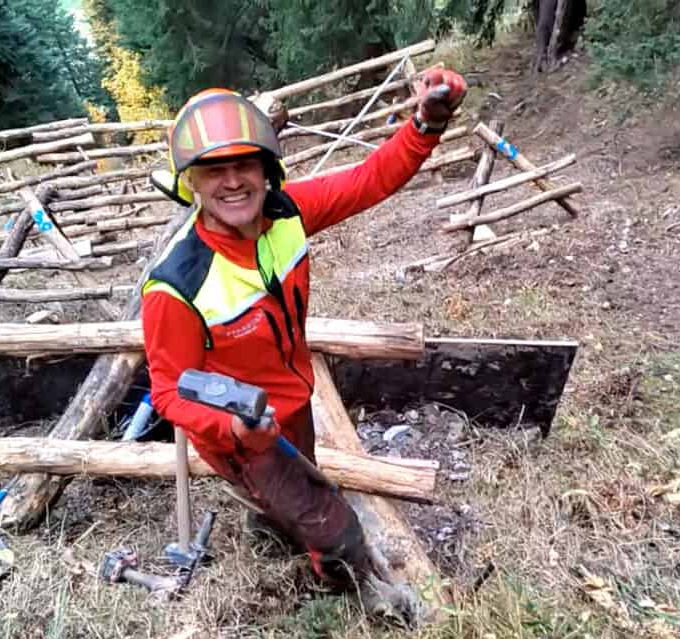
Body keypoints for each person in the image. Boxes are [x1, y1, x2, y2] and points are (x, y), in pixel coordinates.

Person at [140, 68, 467, 589]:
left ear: (267, 168)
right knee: (339, 534)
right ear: (191, 183)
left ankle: (271, 527)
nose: (231, 181)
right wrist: (233, 429)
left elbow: (368, 180)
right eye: (212, 169)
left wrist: (425, 125)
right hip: (242, 440)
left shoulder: (288, 212)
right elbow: (167, 394)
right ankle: (338, 586)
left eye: (244, 163)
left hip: (294, 404)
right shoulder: (177, 286)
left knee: (296, 488)